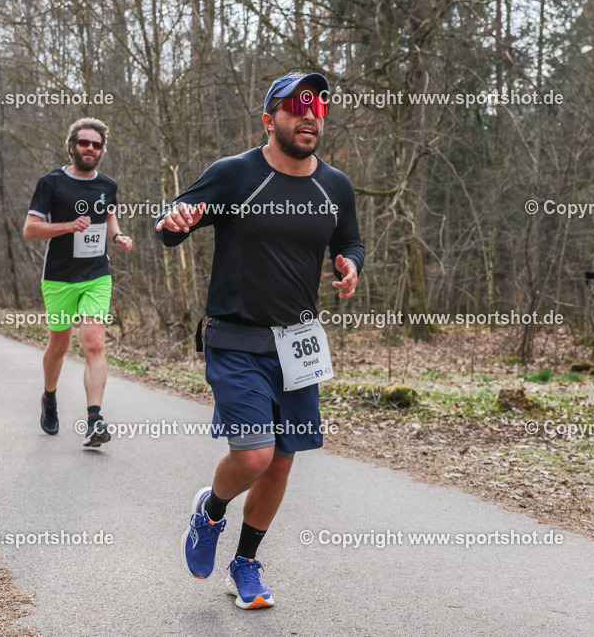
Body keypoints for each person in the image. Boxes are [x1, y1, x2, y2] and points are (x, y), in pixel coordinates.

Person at [156, 72, 364, 610]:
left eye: (316, 105)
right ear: (270, 119)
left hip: (298, 344)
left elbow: (349, 239)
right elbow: (172, 224)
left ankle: (245, 563)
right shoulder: (235, 175)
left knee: (282, 460)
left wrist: (350, 265)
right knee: (254, 455)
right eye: (296, 107)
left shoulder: (334, 185)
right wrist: (175, 220)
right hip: (235, 337)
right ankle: (211, 511)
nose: (309, 114)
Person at [23, 118, 133, 448]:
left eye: (96, 145)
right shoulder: (51, 182)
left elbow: (109, 214)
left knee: (94, 343)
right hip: (58, 278)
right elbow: (30, 229)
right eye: (84, 143)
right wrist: (68, 226)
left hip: (96, 274)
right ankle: (49, 396)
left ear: (101, 151)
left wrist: (118, 235)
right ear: (71, 146)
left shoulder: (108, 184)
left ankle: (94, 419)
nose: (89, 149)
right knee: (59, 345)